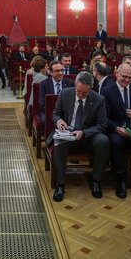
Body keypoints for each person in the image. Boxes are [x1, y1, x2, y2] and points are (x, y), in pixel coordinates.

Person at [46, 71, 109, 202]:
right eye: (78, 91)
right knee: (59, 143)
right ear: (75, 84)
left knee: (103, 141)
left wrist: (84, 132)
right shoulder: (65, 93)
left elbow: (102, 125)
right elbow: (56, 114)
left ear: (91, 89)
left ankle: (96, 180)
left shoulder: (99, 99)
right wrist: (59, 121)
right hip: (68, 132)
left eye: (84, 93)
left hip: (88, 135)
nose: (80, 95)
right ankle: (61, 184)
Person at [102, 64, 131, 199]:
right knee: (116, 142)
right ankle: (120, 177)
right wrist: (116, 128)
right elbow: (104, 117)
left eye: (129, 77)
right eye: (124, 77)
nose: (127, 80)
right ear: (116, 74)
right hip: (117, 129)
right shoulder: (107, 91)